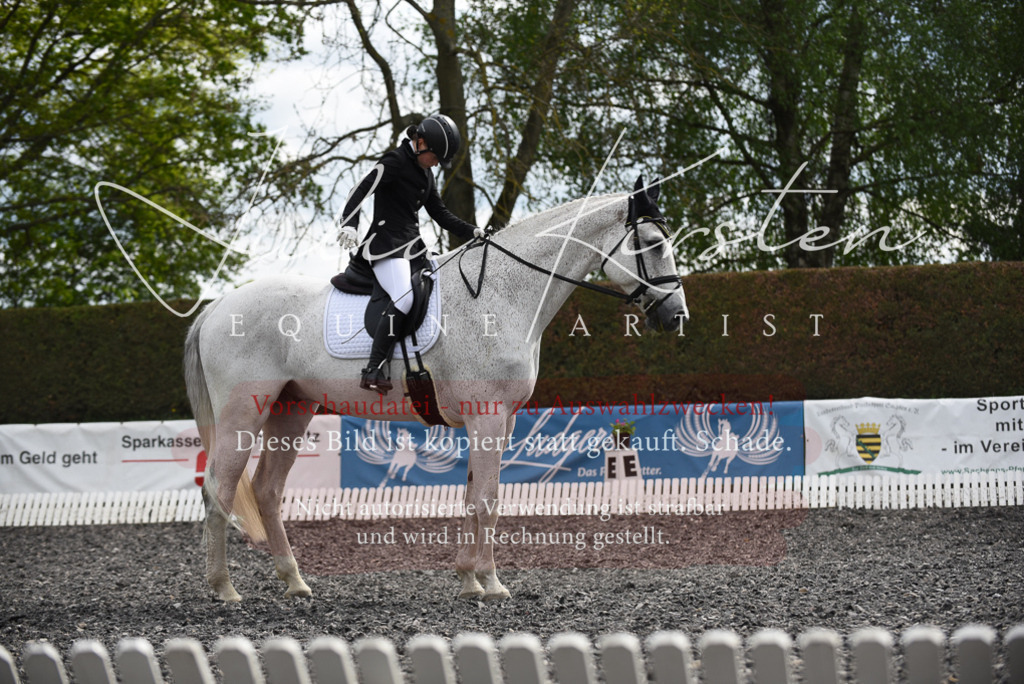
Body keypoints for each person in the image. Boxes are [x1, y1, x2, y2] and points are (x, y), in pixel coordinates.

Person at [339, 114, 483, 394]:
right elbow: (361, 189)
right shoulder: (395, 162)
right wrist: (350, 224)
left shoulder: (425, 173)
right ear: (420, 142)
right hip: (385, 246)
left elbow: (440, 214)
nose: (438, 164)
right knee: (404, 299)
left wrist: (472, 231)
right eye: (436, 157)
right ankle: (373, 367)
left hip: (411, 247)